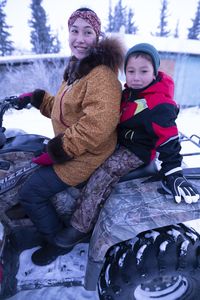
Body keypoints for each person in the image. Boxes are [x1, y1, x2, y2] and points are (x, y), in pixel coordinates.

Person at [53, 42, 200, 250]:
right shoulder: (129, 92)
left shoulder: (159, 104)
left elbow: (169, 139)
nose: (136, 77)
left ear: (154, 72)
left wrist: (173, 172)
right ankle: (74, 203)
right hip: (118, 142)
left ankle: (80, 225)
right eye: (131, 71)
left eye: (143, 71)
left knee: (105, 173)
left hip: (136, 151)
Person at [10, 7, 125, 266]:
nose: (80, 38)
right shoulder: (77, 70)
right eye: (75, 31)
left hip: (87, 155)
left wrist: (57, 151)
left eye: (88, 32)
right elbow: (65, 111)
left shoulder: (102, 75)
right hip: (73, 146)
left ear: (97, 37)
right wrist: (36, 99)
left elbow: (96, 127)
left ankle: (58, 242)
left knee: (30, 191)